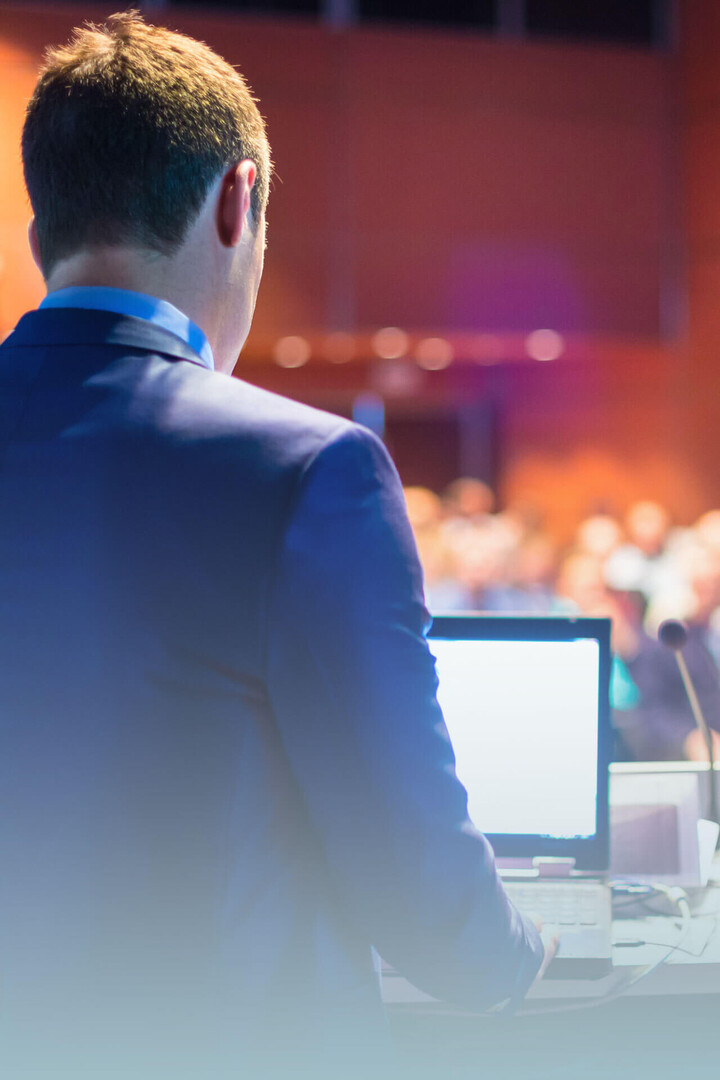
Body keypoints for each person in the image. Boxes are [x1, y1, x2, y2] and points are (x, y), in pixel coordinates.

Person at [0, 11, 545, 1078]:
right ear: (238, 201)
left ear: (37, 232)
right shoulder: (306, 471)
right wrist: (528, 956)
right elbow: (421, 891)